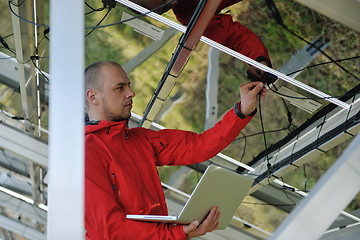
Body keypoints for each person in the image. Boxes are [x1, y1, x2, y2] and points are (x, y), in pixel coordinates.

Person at [84, 60, 266, 239]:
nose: (131, 93)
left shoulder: (139, 139)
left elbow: (199, 147)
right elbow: (109, 228)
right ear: (93, 97)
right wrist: (175, 234)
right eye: (120, 88)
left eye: (129, 86)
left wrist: (242, 111)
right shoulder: (84, 154)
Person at [131, 0, 272, 81]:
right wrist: (258, 61)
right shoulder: (188, 15)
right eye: (166, 7)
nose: (173, 2)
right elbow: (233, 36)